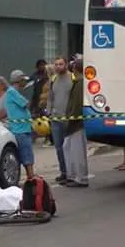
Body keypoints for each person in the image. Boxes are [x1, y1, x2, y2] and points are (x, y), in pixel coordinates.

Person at [47, 56, 75, 184]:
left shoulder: (72, 78)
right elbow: (50, 97)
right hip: (56, 118)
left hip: (69, 118)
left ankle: (71, 172)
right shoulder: (53, 79)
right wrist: (49, 112)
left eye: (61, 64)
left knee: (69, 147)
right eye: (56, 64)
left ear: (66, 65)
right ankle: (63, 172)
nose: (58, 67)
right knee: (59, 147)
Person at [63, 55, 89, 187]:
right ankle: (72, 175)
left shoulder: (79, 84)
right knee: (68, 147)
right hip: (74, 122)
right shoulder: (78, 82)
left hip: (76, 122)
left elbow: (77, 104)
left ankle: (81, 177)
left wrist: (71, 117)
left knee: (77, 150)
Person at [5, 69, 35, 181]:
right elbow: (26, 104)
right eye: (23, 80)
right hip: (20, 130)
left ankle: (29, 176)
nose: (25, 83)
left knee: (26, 153)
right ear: (18, 80)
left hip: (23, 128)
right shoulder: (12, 92)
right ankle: (31, 177)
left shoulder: (13, 92)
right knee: (27, 154)